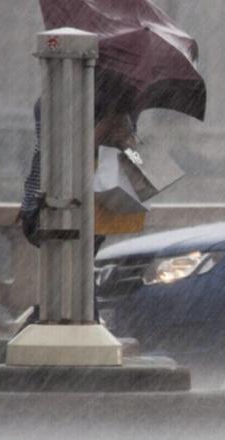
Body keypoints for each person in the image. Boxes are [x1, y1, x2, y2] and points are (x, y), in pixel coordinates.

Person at [19, 94, 142, 324]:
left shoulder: (113, 103)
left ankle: (63, 327)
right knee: (73, 282)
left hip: (89, 206)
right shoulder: (63, 95)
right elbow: (60, 153)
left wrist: (121, 133)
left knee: (71, 282)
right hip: (58, 204)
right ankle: (77, 327)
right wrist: (104, 130)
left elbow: (132, 153)